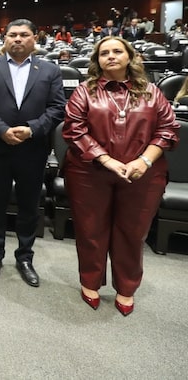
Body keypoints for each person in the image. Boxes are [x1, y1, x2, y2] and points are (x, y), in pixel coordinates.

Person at [62, 36, 178, 315]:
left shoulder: (152, 92)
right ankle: (90, 282)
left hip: (143, 174)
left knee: (132, 232)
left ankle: (126, 287)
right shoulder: (84, 91)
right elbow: (74, 129)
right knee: (90, 230)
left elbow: (168, 129)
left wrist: (144, 161)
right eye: (104, 53)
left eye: (117, 51)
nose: (111, 56)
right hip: (90, 171)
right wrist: (107, 160)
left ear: (129, 57)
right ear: (97, 60)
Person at [0, 19, 66, 287]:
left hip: (32, 149)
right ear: (4, 39)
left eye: (24, 35)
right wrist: (2, 130)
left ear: (34, 38)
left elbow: (57, 108)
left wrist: (31, 129)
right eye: (12, 34)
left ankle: (25, 257)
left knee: (29, 206)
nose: (17, 39)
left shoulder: (49, 70)